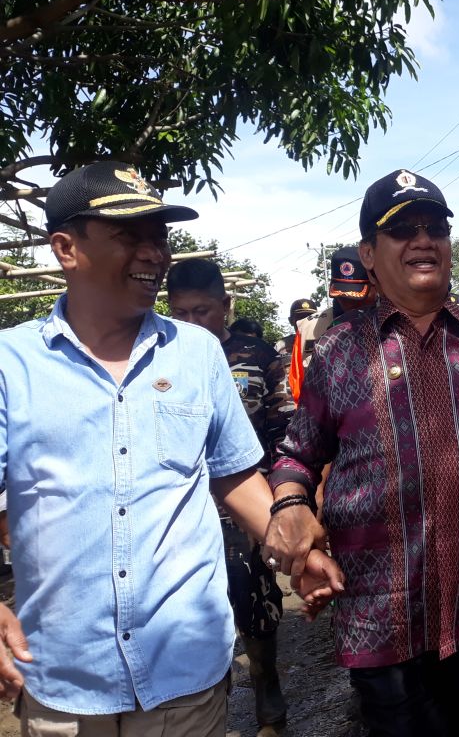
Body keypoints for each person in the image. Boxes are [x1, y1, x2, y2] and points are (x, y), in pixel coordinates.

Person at [0, 161, 341, 736]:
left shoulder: (196, 355)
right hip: (63, 677)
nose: (153, 253)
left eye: (159, 236)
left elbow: (232, 475)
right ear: (66, 248)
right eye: (129, 235)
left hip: (184, 671)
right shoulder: (12, 363)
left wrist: (294, 546)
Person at [262, 169, 459, 737]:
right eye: (401, 230)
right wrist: (289, 504)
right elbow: (296, 455)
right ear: (369, 253)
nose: (422, 239)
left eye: (434, 227)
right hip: (382, 618)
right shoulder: (339, 353)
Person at [166, 257, 296, 733]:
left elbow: (287, 433)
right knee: (193, 609)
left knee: (255, 599)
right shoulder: (157, 355)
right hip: (180, 511)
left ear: (225, 305)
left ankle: (265, 683)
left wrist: (284, 506)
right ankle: (207, 695)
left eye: (202, 312)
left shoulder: (258, 357)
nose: (192, 323)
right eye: (180, 313)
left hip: (244, 505)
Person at [287, 245, 377, 400]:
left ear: (375, 285)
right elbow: (298, 387)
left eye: (356, 297)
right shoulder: (308, 329)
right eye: (341, 297)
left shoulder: (395, 322)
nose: (348, 304)